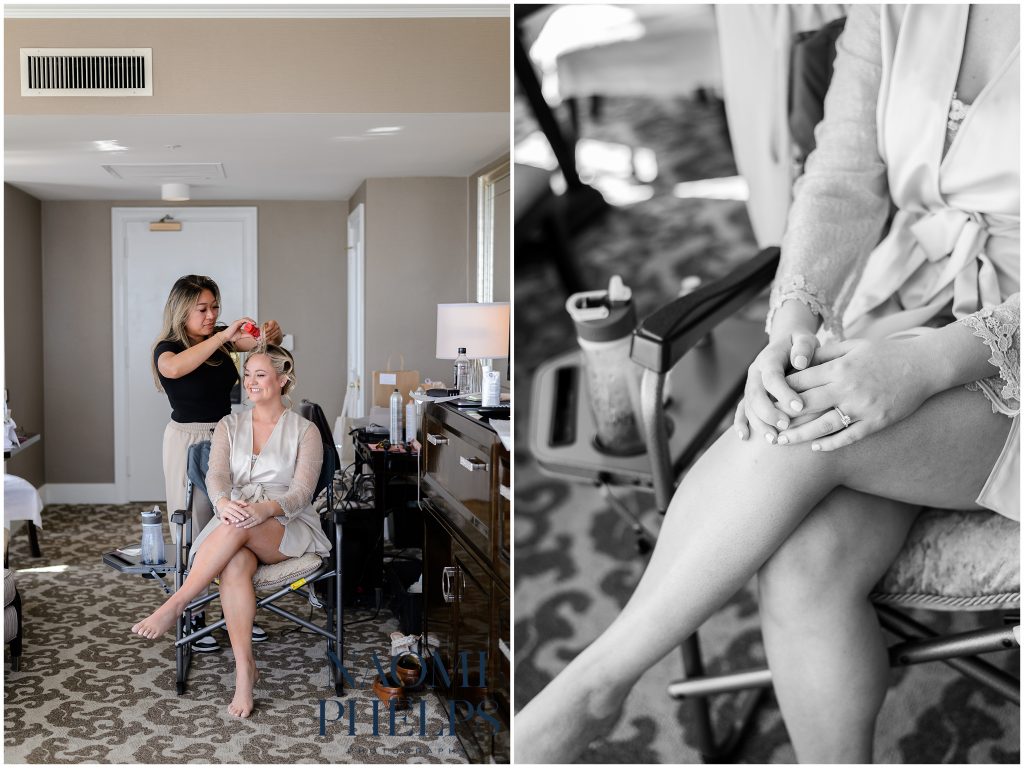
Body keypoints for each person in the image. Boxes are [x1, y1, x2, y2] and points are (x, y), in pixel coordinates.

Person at [516, 4, 1018, 763]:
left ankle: (593, 686)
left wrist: (925, 365)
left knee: (798, 434)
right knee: (801, 566)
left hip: (1003, 359)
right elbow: (843, 173)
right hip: (906, 302)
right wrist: (794, 320)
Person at [132, 343, 331, 718]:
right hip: (235, 518)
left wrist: (264, 510)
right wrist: (223, 503)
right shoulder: (229, 424)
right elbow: (217, 475)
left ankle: (177, 604)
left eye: (261, 374)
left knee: (237, 528)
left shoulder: (305, 431)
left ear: (283, 379)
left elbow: (301, 494)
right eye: (248, 374)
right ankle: (245, 671)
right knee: (236, 564)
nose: (251, 383)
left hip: (284, 525)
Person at [152, 274, 283, 651]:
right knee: (192, 523)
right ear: (182, 310)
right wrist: (222, 337)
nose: (212, 315)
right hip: (187, 438)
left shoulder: (224, 339)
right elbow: (173, 370)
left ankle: (236, 613)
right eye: (203, 309)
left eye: (215, 308)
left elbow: (263, 342)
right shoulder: (168, 347)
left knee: (232, 520)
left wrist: (273, 332)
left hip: (227, 434)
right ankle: (194, 612)